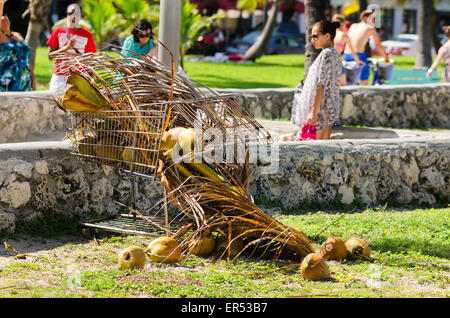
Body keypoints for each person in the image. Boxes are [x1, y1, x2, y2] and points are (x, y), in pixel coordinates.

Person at [291, 19, 342, 140]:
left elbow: (321, 85)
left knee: (313, 149)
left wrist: (313, 113)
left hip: (320, 112)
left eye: (315, 36)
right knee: (324, 149)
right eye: (311, 37)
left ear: (327, 36)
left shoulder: (326, 55)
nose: (312, 39)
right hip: (328, 109)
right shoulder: (334, 54)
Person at [47, 3, 96, 93]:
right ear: (67, 15)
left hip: (78, 77)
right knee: (55, 105)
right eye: (70, 13)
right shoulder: (58, 31)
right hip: (59, 78)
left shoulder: (87, 35)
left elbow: (91, 61)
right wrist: (66, 48)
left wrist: (88, 81)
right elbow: (50, 57)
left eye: (76, 14)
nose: (73, 16)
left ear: (80, 16)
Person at [343, 10, 389, 85]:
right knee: (364, 79)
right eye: (373, 18)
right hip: (358, 55)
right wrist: (386, 58)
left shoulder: (353, 25)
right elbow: (378, 45)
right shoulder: (370, 28)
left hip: (346, 55)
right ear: (365, 18)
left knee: (351, 80)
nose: (374, 20)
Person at [0, 0, 35, 92]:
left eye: (7, 18)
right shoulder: (1, 38)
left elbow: (27, 58)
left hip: (24, 83)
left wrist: (33, 82)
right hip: (8, 85)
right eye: (2, 18)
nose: (6, 19)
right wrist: (1, 3)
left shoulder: (17, 35)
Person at [332, 14, 364, 86]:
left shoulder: (331, 33)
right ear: (343, 24)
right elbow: (352, 51)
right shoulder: (344, 35)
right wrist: (358, 61)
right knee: (343, 84)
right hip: (336, 61)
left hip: (328, 60)